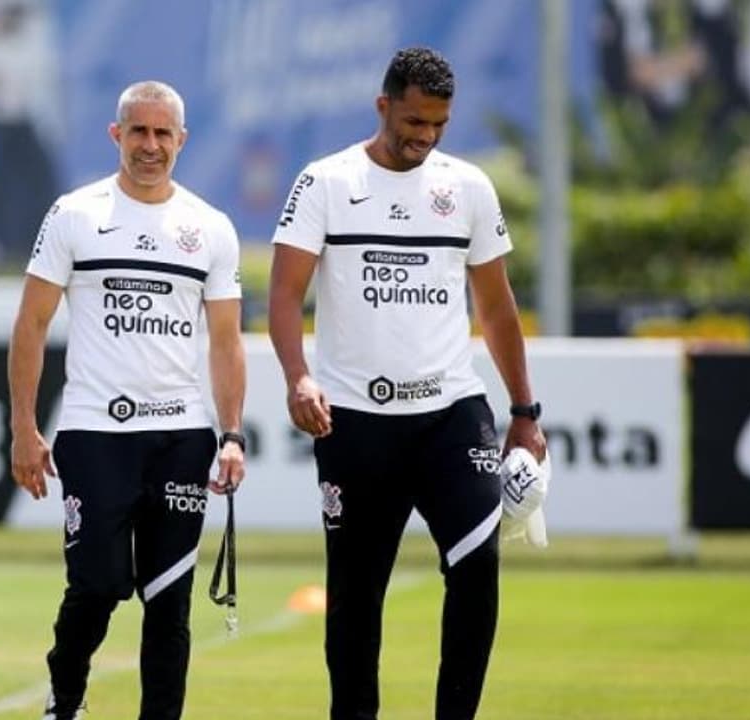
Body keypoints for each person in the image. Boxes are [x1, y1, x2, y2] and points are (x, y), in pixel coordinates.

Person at [267, 47, 547, 720]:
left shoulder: (469, 187)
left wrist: (525, 411)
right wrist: (298, 377)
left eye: (438, 126)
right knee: (356, 600)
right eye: (413, 123)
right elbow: (283, 293)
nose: (424, 138)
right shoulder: (324, 182)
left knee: (478, 566)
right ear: (383, 105)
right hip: (354, 422)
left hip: (452, 412)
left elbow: (498, 307)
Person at [8, 80, 247, 720]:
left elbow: (226, 342)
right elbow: (30, 324)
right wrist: (24, 429)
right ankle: (66, 699)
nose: (150, 145)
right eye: (137, 132)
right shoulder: (75, 214)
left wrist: (231, 434)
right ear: (116, 136)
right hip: (93, 434)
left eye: (162, 133)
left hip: (179, 438)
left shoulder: (210, 228)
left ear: (182, 141)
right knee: (95, 586)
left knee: (170, 602)